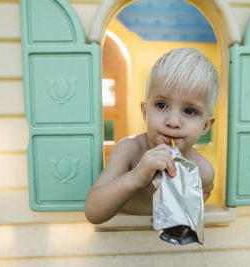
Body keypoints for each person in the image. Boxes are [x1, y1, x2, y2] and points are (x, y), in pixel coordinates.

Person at [85, 47, 219, 224]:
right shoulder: (129, 151)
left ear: (206, 125)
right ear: (145, 111)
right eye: (162, 105)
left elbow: (202, 198)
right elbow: (93, 212)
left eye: (189, 110)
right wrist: (136, 176)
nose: (173, 121)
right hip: (120, 234)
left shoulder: (203, 171)